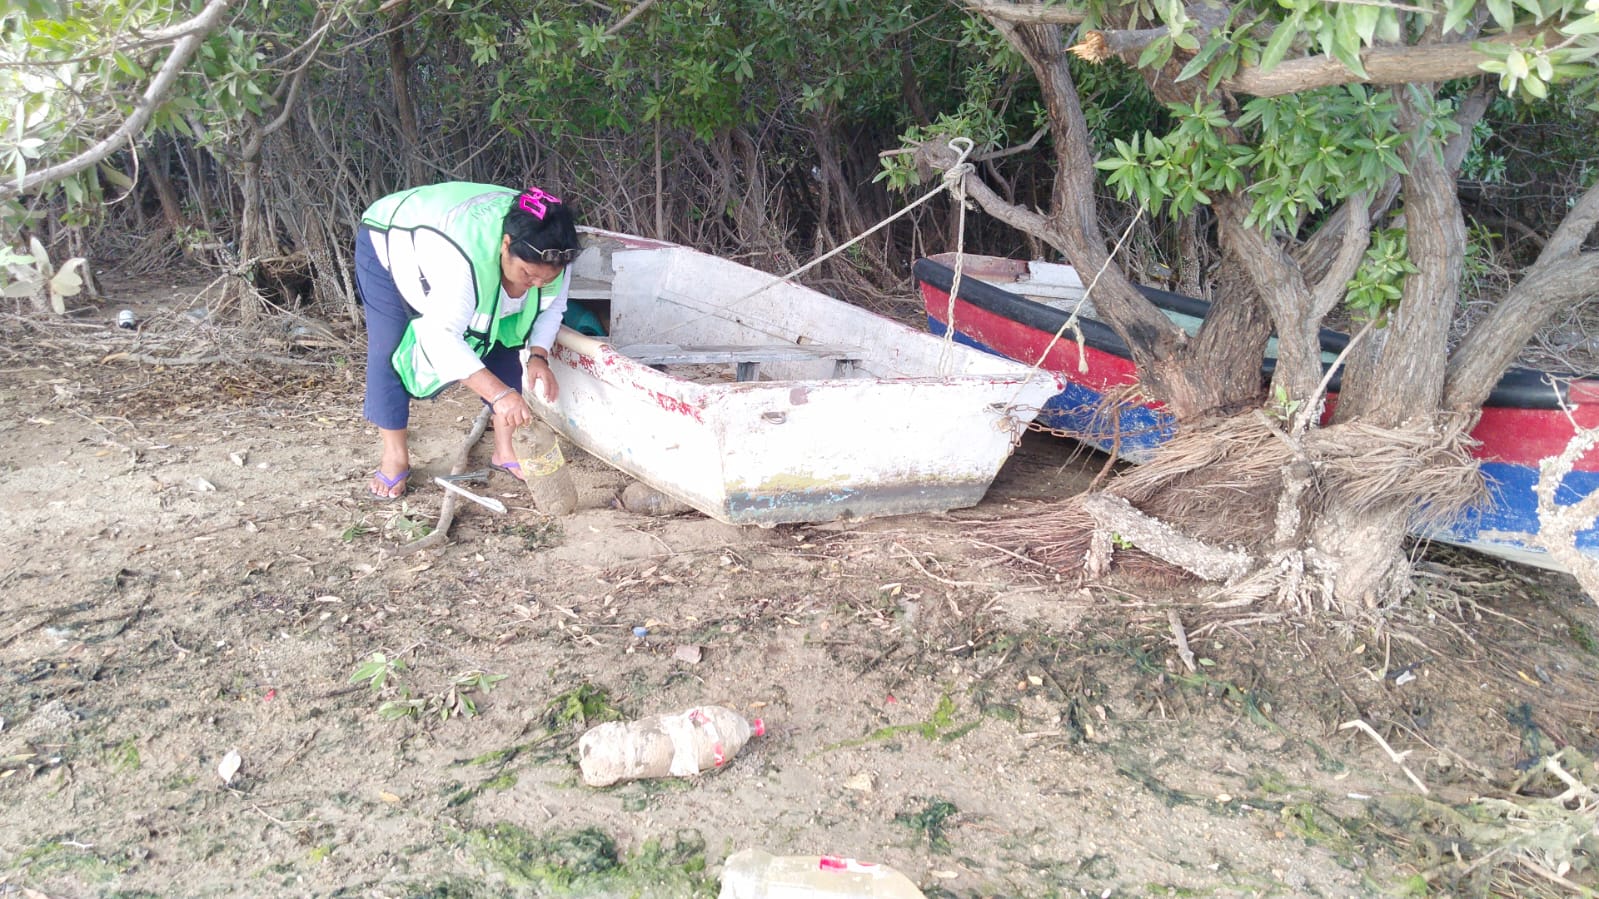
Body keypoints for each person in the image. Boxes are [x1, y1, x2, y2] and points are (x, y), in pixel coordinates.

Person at [354, 182, 581, 499]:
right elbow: (439, 338)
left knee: (507, 336)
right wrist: (500, 394)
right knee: (389, 348)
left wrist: (538, 356)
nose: (537, 284)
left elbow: (552, 306)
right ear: (506, 244)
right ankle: (394, 456)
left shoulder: (553, 253)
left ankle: (505, 450)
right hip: (392, 232)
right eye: (528, 274)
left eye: (548, 277)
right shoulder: (460, 260)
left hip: (452, 232)